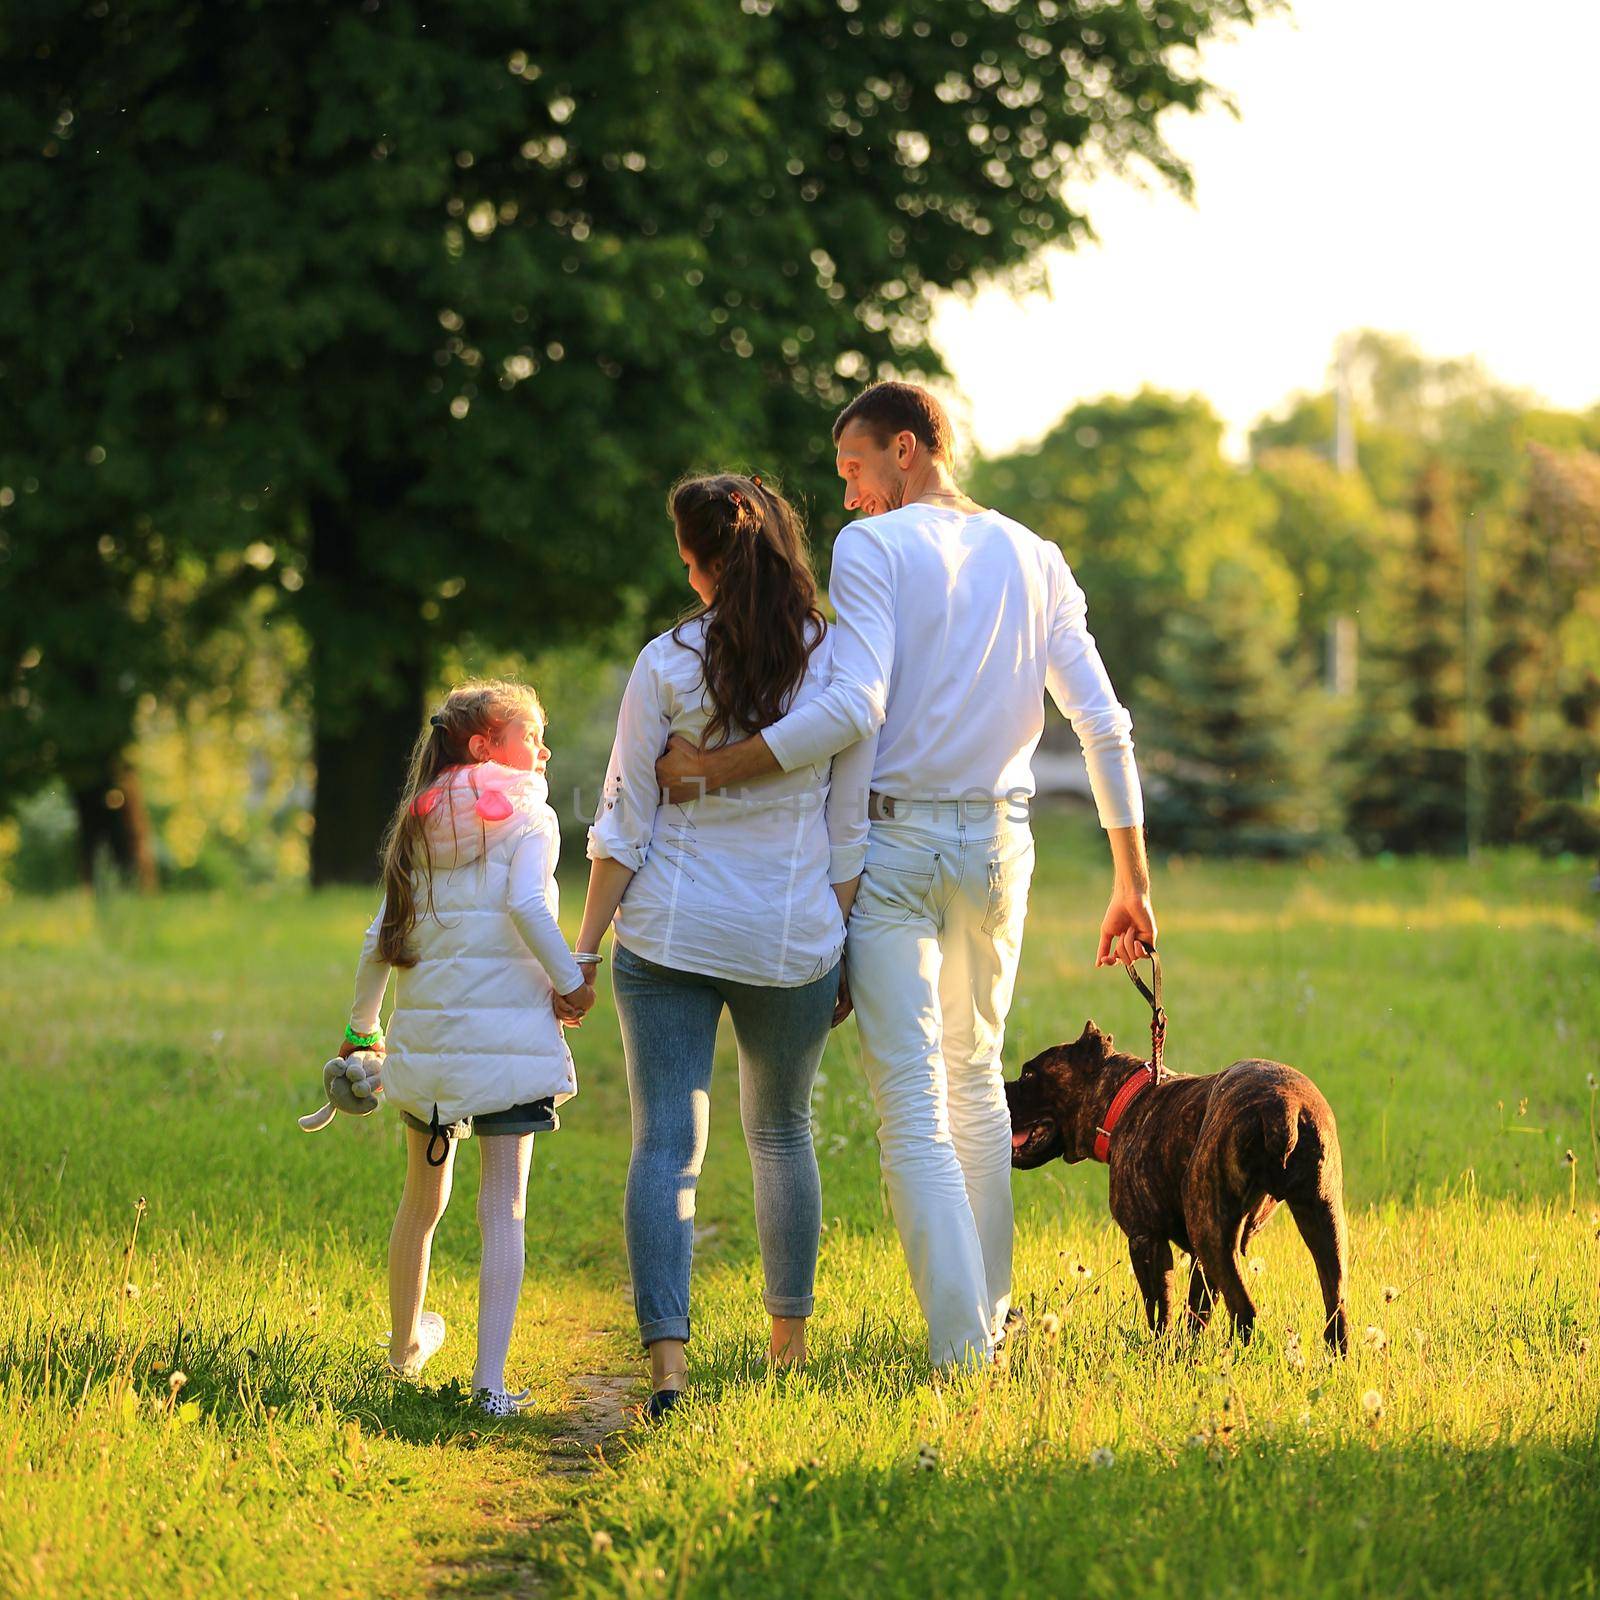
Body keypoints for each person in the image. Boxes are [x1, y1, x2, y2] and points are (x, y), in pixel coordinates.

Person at [655, 383, 1156, 1367]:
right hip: (1002, 846)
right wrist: (1129, 877)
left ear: (906, 448)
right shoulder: (1036, 555)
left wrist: (718, 769)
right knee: (972, 1084)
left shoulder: (875, 551)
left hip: (897, 845)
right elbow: (1101, 720)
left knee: (912, 1105)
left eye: (852, 471)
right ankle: (986, 1326)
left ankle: (965, 1349)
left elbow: (852, 708)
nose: (844, 498)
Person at [575, 473, 873, 1420]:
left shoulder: (664, 663)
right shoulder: (833, 660)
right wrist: (842, 941)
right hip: (792, 937)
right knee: (782, 1135)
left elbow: (625, 818)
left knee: (666, 1143)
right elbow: (848, 828)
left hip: (667, 930)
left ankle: (668, 1372)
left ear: (697, 568)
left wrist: (582, 947)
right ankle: (787, 1356)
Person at [338, 679, 595, 1416]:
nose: (542, 750)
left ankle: (401, 1354)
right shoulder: (529, 816)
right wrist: (570, 981)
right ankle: (489, 1386)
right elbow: (523, 906)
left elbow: (377, 938)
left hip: (429, 1051)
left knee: (421, 1204)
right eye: (532, 736)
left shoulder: (416, 823)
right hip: (509, 1047)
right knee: (502, 1208)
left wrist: (363, 1029)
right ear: (486, 746)